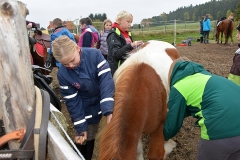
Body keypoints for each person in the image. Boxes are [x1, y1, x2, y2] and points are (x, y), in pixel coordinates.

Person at [163, 57, 240, 160]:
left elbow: (173, 123)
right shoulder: (207, 77)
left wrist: (160, 136)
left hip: (221, 131)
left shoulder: (179, 86)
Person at [52, 35, 114, 160]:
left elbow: (106, 82)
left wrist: (108, 110)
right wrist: (81, 127)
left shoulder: (95, 55)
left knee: (115, 127)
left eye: (72, 60)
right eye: (65, 64)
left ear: (77, 48)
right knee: (85, 136)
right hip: (87, 105)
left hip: (105, 96)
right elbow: (72, 101)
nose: (70, 65)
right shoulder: (63, 74)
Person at [107, 10, 143, 75]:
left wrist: (137, 47)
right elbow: (116, 55)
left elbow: (130, 50)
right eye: (128, 21)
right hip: (118, 71)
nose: (130, 24)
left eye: (131, 22)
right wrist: (131, 45)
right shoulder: (113, 34)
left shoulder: (128, 33)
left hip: (128, 67)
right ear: (120, 20)